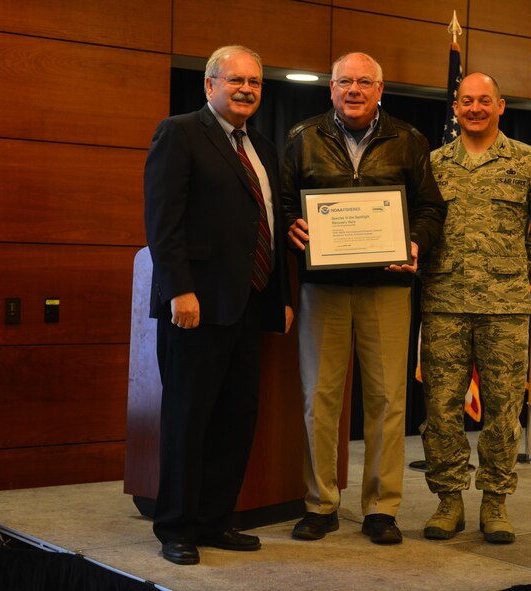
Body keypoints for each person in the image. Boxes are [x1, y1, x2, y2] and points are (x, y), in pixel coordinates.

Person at [281, 52, 445, 545]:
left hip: (387, 288)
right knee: (318, 399)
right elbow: (285, 202)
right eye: (344, 81)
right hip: (322, 289)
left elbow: (431, 207)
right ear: (330, 89)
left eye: (364, 82)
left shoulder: (410, 140)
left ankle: (381, 508)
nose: (354, 90)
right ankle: (320, 504)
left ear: (380, 90)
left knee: (389, 400)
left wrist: (415, 241)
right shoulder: (302, 138)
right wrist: (292, 224)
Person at [143, 45, 293, 566]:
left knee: (235, 419)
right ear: (209, 85)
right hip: (197, 307)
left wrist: (281, 298)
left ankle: (214, 520)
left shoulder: (263, 148)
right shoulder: (180, 132)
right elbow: (164, 223)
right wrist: (178, 289)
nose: (247, 89)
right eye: (236, 80)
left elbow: (268, 225)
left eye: (255, 81)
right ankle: (176, 528)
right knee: (189, 419)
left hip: (248, 306)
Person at [420, 72, 531, 543]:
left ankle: (496, 501)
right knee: (441, 408)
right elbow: (414, 223)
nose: (475, 108)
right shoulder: (434, 164)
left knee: (503, 410)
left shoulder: (527, 162)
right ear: (456, 108)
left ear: (501, 106)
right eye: (467, 101)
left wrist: (521, 274)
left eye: (485, 100)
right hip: (443, 303)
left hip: (504, 308)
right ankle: (447, 500)